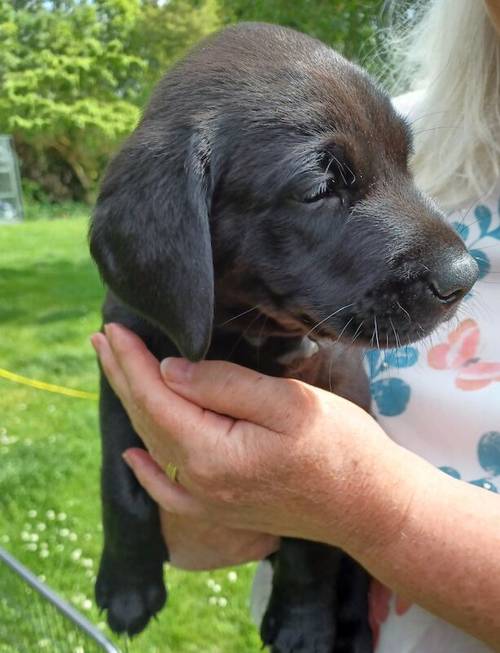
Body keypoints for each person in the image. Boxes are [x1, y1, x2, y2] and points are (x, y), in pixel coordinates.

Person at [91, 0, 500, 650]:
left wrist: (355, 512)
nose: (455, 266)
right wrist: (137, 534)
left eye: (402, 165)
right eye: (319, 188)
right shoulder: (411, 111)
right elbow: (128, 397)